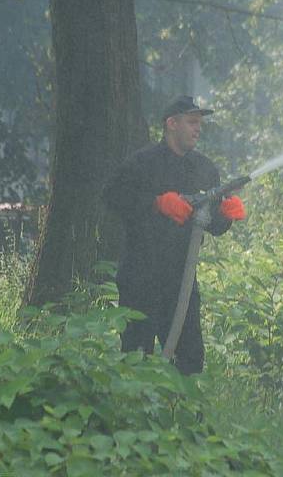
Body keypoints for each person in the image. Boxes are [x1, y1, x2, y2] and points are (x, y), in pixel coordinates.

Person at [103, 95, 246, 374]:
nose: (198, 129)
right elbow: (112, 197)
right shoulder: (141, 163)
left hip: (181, 279)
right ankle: (133, 412)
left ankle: (183, 413)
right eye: (192, 122)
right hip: (140, 276)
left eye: (200, 123)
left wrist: (226, 214)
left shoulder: (205, 169)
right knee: (136, 356)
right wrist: (156, 203)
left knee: (190, 358)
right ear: (171, 124)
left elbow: (213, 224)